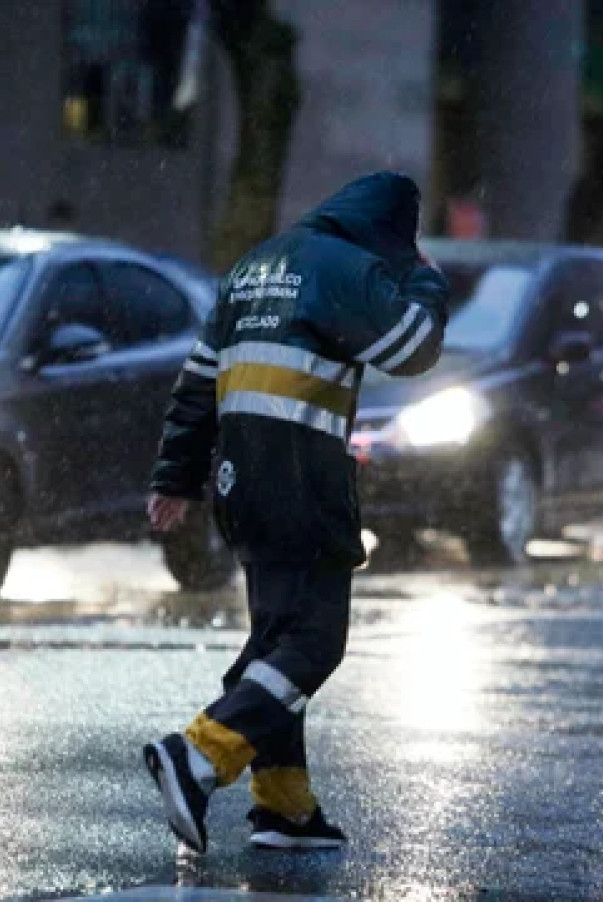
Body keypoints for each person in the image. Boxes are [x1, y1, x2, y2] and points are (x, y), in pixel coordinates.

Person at [143, 171, 449, 853]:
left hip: (241, 479)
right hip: (303, 475)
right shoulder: (342, 268)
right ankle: (199, 754)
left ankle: (285, 807)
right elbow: (412, 348)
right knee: (314, 643)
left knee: (276, 642)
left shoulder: (254, 266)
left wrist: (177, 477)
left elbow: (197, 382)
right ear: (392, 228)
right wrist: (428, 282)